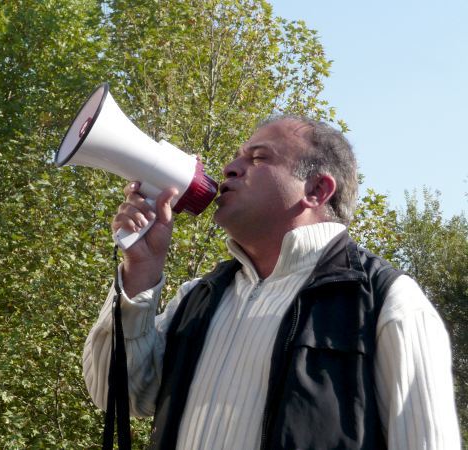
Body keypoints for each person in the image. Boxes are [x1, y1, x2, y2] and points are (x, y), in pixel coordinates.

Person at [82, 115, 461, 449]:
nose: (230, 168)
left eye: (258, 158)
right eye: (237, 156)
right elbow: (115, 393)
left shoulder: (387, 303)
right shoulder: (198, 297)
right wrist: (141, 269)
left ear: (317, 190)